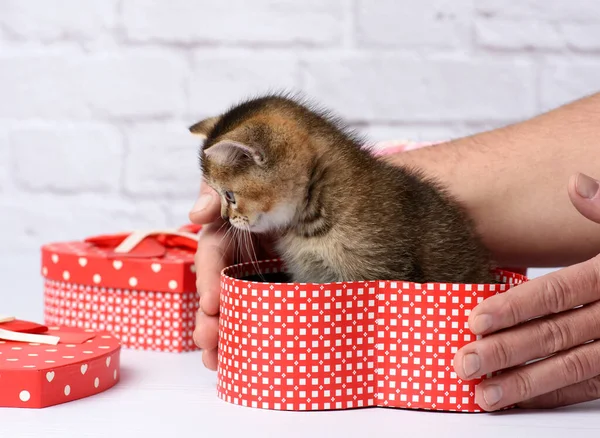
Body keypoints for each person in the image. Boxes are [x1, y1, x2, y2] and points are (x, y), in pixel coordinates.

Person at [188, 91, 600, 412]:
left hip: (422, 387)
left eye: (231, 196)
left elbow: (381, 307)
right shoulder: (324, 211)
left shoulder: (368, 211)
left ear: (263, 156)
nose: (227, 213)